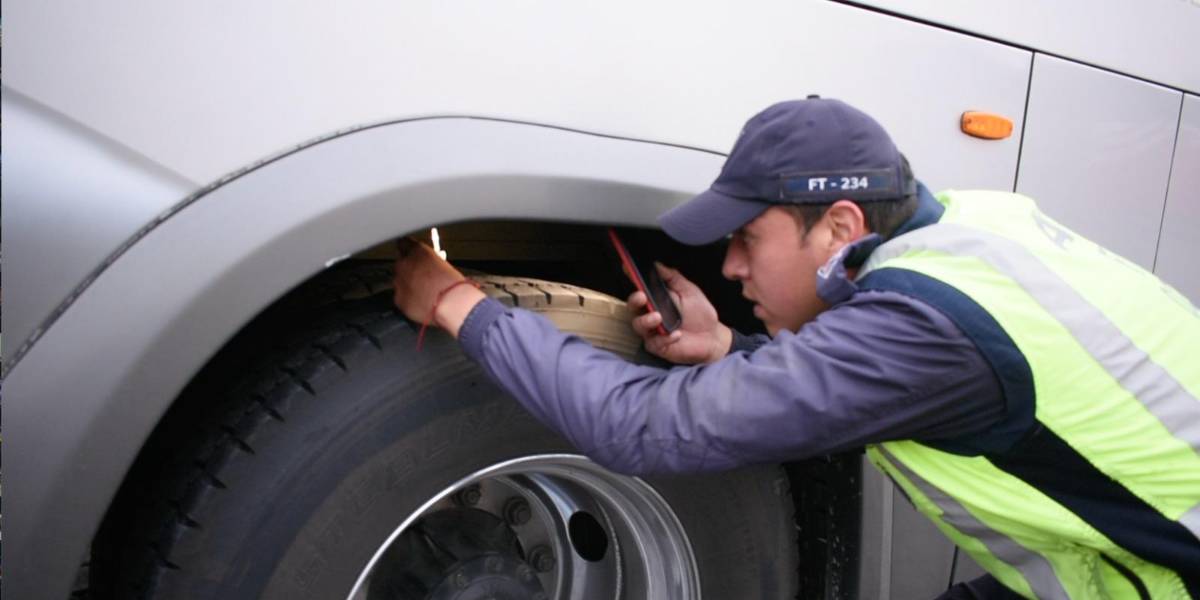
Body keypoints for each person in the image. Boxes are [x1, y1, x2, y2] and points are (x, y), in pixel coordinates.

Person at [393, 97, 1200, 599]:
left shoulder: (928, 327)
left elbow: (639, 430)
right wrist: (729, 350)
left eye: (746, 239)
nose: (733, 265)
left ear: (842, 227)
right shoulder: (963, 233)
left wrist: (459, 302)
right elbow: (876, 373)